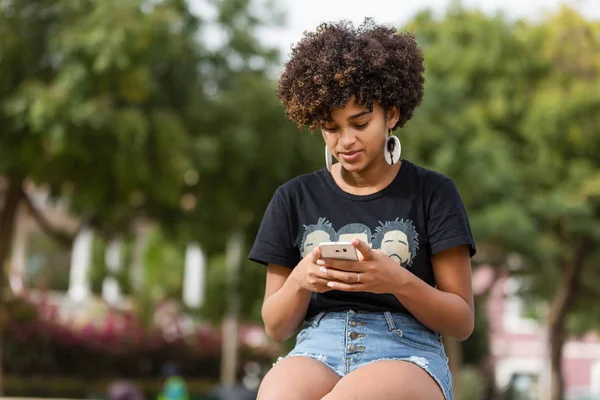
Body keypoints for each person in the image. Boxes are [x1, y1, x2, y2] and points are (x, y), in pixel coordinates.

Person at [248, 19, 475, 400]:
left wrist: (396, 280)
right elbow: (275, 326)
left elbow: (461, 320)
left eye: (360, 122)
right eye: (331, 128)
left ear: (392, 114)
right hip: (317, 346)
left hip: (406, 351)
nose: (346, 141)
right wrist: (302, 279)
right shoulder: (293, 197)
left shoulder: (433, 193)